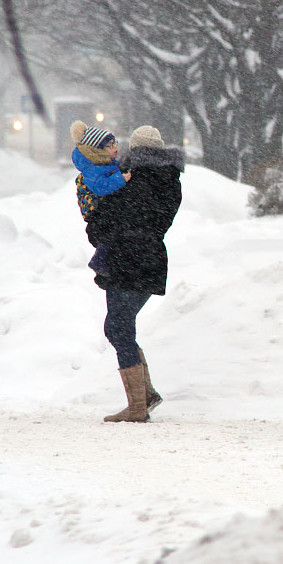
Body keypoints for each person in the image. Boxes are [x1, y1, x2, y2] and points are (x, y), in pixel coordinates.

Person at [87, 125, 183, 423]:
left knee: (119, 327)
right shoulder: (171, 182)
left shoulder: (129, 181)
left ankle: (138, 406)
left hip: (126, 258)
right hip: (152, 258)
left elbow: (102, 222)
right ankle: (146, 394)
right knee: (117, 327)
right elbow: (157, 220)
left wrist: (94, 223)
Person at [69, 120, 129, 278]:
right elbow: (101, 187)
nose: (115, 147)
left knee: (116, 230)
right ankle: (99, 260)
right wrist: (122, 178)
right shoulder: (91, 169)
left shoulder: (106, 164)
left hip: (102, 208)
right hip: (94, 209)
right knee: (112, 232)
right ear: (96, 150)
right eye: (109, 146)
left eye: (114, 143)